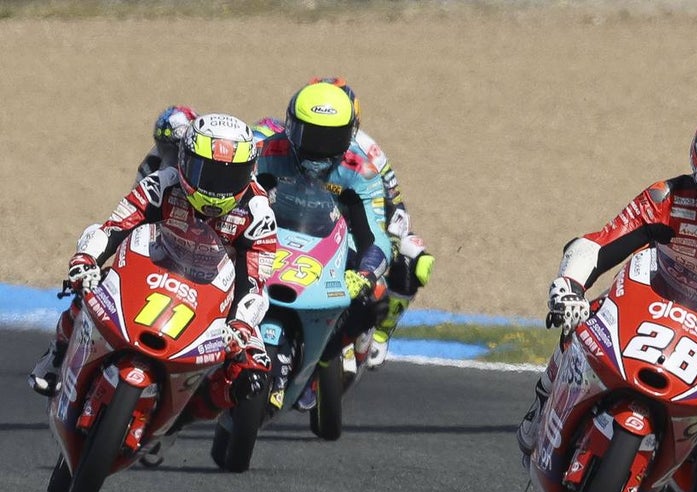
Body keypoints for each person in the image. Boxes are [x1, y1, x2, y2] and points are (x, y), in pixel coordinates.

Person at [516, 104, 697, 458]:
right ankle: (545, 397)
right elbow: (600, 243)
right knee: (583, 318)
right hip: (650, 302)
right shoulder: (667, 197)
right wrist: (570, 287)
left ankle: (685, 462)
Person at [29, 113, 277, 458]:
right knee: (90, 286)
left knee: (252, 372)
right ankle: (57, 355)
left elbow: (255, 284)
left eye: (229, 176)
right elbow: (115, 227)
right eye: (207, 172)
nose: (216, 186)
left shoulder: (258, 214)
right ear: (185, 161)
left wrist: (241, 326)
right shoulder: (163, 184)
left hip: (217, 299)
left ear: (249, 173)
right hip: (154, 271)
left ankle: (178, 421)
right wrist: (86, 259)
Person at [254, 77, 433, 370]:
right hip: (276, 229)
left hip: (339, 231)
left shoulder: (365, 164)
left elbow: (385, 219)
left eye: (331, 139)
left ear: (350, 134)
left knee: (380, 289)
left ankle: (340, 352)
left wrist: (366, 272)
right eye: (309, 135)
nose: (319, 149)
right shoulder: (265, 149)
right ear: (291, 125)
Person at [136, 105, 198, 181]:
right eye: (165, 149)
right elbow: (139, 185)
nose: (170, 158)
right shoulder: (151, 164)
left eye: (177, 150)